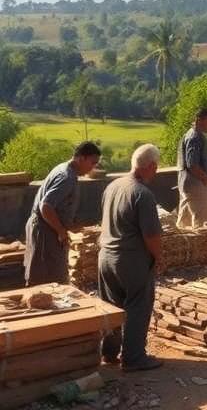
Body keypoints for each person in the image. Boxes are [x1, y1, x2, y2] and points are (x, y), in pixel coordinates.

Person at [98, 143, 164, 372]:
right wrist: (157, 257)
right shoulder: (143, 194)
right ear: (152, 166)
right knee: (138, 305)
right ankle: (134, 358)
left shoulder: (113, 186)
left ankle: (108, 352)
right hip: (131, 259)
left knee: (111, 307)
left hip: (106, 256)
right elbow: (151, 235)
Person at [24, 141, 101, 286]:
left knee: (52, 275)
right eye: (92, 162)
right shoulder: (66, 177)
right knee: (46, 279)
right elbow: (46, 206)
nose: (93, 167)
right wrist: (61, 231)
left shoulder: (63, 168)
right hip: (45, 231)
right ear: (81, 158)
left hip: (46, 228)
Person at [176, 108, 207, 228]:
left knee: (184, 222)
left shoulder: (191, 134)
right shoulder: (195, 137)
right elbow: (192, 165)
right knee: (202, 222)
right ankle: (201, 246)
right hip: (195, 185)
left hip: (186, 183)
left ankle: (182, 245)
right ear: (199, 120)